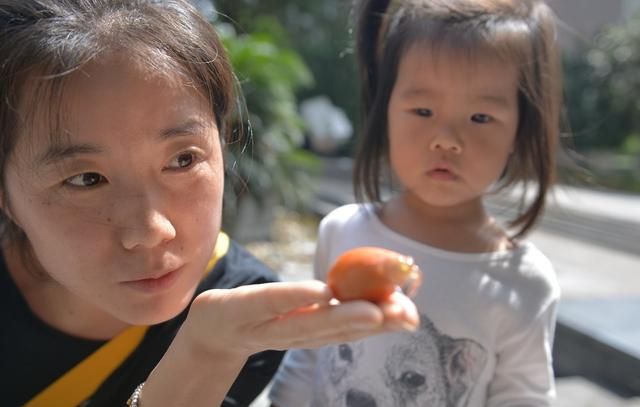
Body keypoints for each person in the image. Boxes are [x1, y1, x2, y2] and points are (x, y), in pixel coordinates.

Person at [0, 1, 420, 406]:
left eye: (183, 159)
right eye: (86, 179)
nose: (151, 230)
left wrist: (206, 357)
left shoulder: (245, 317)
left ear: (222, 144)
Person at [269, 0, 563, 405]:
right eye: (423, 110)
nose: (446, 138)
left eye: (480, 117)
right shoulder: (343, 231)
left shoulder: (524, 281)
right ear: (385, 109)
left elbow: (525, 397)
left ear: (519, 129)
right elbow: (307, 355)